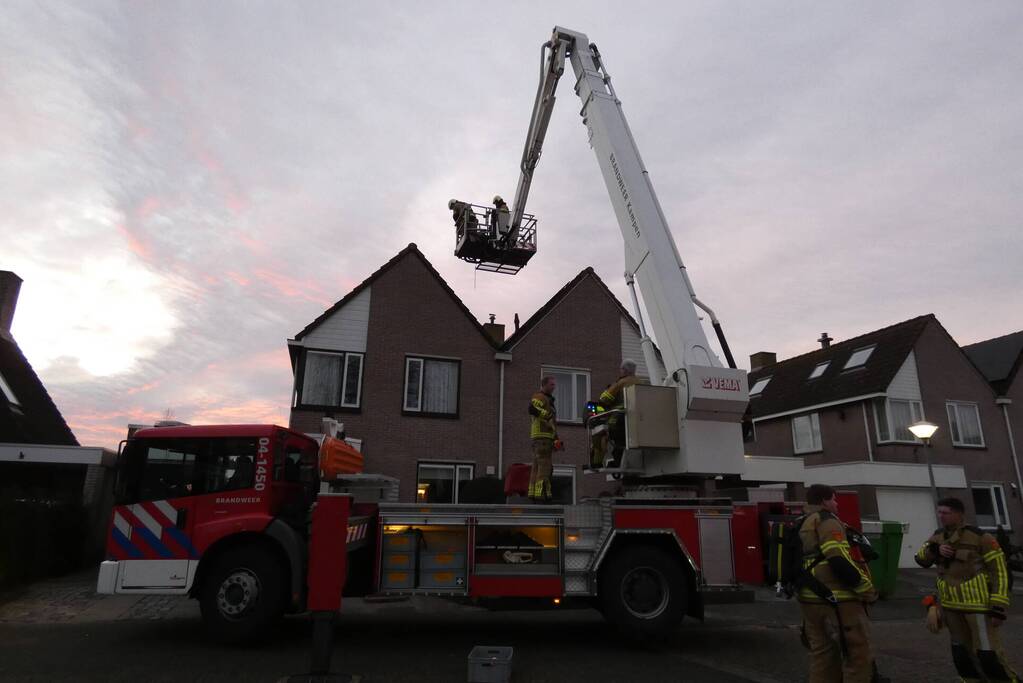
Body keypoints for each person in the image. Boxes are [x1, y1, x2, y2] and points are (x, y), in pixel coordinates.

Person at [915, 497, 1017, 682]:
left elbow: (1000, 571)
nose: (941, 516)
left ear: (959, 514)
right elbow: (921, 558)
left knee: (988, 655)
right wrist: (935, 550)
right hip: (950, 607)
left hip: (977, 607)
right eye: (939, 512)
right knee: (961, 656)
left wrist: (999, 606)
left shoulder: (980, 537)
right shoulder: (937, 536)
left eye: (946, 513)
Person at [798, 484, 877, 683]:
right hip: (838, 601)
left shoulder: (802, 522)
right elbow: (839, 560)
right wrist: (866, 589)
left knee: (822, 657)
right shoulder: (827, 522)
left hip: (809, 599)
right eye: (834, 499)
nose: (836, 503)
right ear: (824, 501)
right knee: (857, 656)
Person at [596, 360, 640, 468]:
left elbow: (604, 398)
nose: (620, 371)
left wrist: (609, 388)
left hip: (619, 419)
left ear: (624, 370)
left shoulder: (621, 383)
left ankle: (615, 462)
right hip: (637, 420)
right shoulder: (640, 382)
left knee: (615, 439)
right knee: (627, 442)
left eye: (621, 369)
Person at [527, 376, 557, 502]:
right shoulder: (540, 397)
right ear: (544, 385)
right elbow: (531, 409)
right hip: (542, 437)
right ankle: (541, 496)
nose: (554, 387)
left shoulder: (547, 399)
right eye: (551, 384)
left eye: (554, 385)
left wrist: (556, 437)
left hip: (541, 438)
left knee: (536, 466)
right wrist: (548, 415)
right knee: (545, 467)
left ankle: (532, 493)